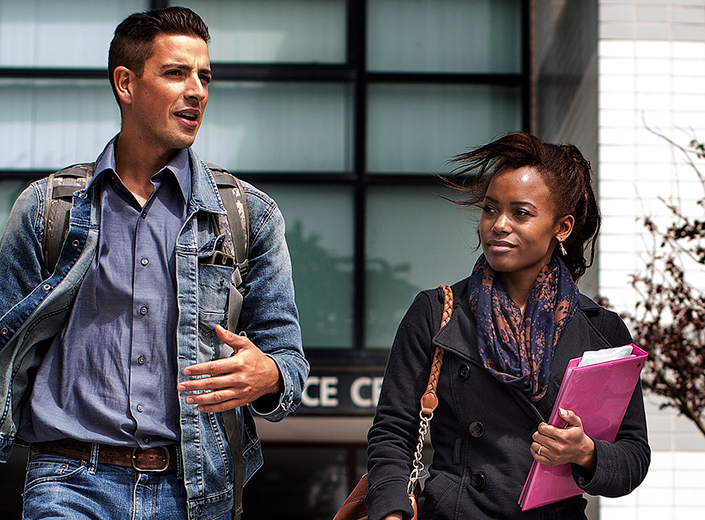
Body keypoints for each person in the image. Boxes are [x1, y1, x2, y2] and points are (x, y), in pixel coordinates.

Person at [0, 7, 308, 520]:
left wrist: (269, 374)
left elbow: (289, 361)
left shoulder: (247, 214)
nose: (197, 90)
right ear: (126, 83)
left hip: (193, 490)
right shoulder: (45, 209)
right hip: (69, 482)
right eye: (176, 73)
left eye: (204, 76)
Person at [365, 132, 650, 519]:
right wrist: (392, 513)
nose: (498, 225)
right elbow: (392, 432)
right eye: (489, 209)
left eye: (521, 213)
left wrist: (585, 451)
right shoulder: (438, 311)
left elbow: (633, 456)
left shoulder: (602, 332)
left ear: (561, 227)